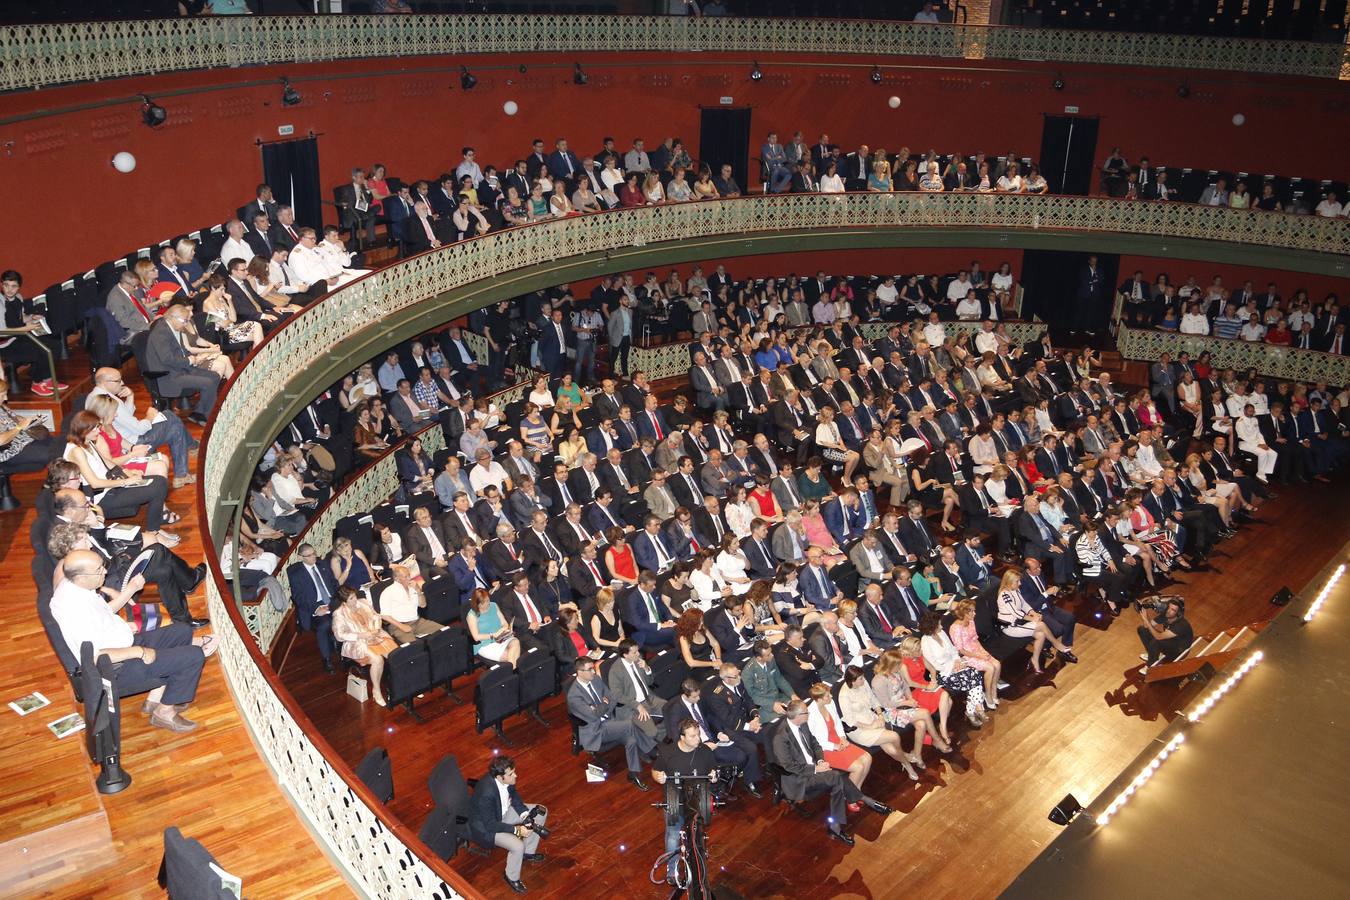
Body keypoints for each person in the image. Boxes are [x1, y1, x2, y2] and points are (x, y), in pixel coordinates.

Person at [50, 549, 215, 733]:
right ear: (81, 577)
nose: (105, 571)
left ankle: (155, 699)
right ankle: (164, 713)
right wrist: (140, 652)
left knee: (183, 631)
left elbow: (103, 614)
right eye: (99, 570)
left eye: (102, 566)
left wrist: (121, 624)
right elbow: (96, 657)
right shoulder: (77, 611)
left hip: (122, 644)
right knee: (194, 655)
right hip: (116, 668)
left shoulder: (73, 586)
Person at [771, 699, 891, 847]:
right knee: (836, 777)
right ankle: (863, 800)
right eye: (806, 713)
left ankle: (836, 826)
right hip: (798, 779)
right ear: (797, 716)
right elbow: (789, 766)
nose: (809, 714)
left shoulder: (802, 723)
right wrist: (816, 769)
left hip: (814, 767)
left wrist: (820, 760)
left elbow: (815, 744)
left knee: (837, 781)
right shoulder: (780, 737)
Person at [567, 657, 657, 790]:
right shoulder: (574, 696)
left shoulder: (595, 679)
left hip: (610, 721)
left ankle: (633, 774)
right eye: (590, 669)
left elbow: (613, 697)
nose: (593, 671)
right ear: (580, 672)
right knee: (631, 724)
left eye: (593, 668)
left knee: (631, 740)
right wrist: (604, 704)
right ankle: (650, 749)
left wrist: (601, 708)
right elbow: (593, 716)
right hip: (595, 731)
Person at [651, 716, 719, 886]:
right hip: (675, 798)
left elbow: (713, 769)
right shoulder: (668, 752)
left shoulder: (705, 751)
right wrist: (658, 777)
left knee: (698, 833)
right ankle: (671, 869)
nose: (698, 739)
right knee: (673, 835)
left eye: (698, 734)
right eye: (693, 736)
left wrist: (714, 775)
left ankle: (698, 862)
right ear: (682, 737)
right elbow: (655, 770)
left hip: (698, 798)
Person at [468, 756, 548, 895]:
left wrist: (524, 815)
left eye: (514, 772)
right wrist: (517, 830)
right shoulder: (486, 793)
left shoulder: (506, 779)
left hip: (502, 812)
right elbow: (491, 825)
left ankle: (527, 853)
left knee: (541, 812)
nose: (515, 775)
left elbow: (514, 795)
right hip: (487, 828)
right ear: (500, 777)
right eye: (511, 774)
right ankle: (511, 876)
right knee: (517, 845)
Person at [837, 666, 920, 779]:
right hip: (860, 729)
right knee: (894, 736)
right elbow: (850, 721)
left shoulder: (863, 683)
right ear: (853, 681)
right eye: (860, 679)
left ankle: (904, 761)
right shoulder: (844, 695)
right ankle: (906, 762)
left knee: (891, 748)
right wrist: (870, 726)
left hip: (872, 719)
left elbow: (873, 700)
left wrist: (880, 715)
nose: (864, 680)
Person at [918, 610, 988, 726]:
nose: (942, 626)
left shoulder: (941, 633)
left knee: (974, 673)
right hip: (943, 673)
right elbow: (934, 664)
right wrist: (952, 667)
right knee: (972, 679)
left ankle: (974, 710)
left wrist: (957, 661)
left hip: (955, 665)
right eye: (939, 624)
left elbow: (953, 650)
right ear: (931, 627)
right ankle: (976, 709)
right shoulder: (925, 641)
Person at [1137, 596, 1194, 668]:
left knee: (1156, 641)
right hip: (1170, 641)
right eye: (1168, 607)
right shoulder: (1166, 614)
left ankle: (1151, 666)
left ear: (1178, 613)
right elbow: (1146, 626)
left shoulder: (1181, 625)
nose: (1168, 611)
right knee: (1142, 629)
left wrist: (1146, 620)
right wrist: (1145, 612)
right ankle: (1153, 655)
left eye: (1173, 610)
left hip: (1179, 651)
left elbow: (1158, 637)